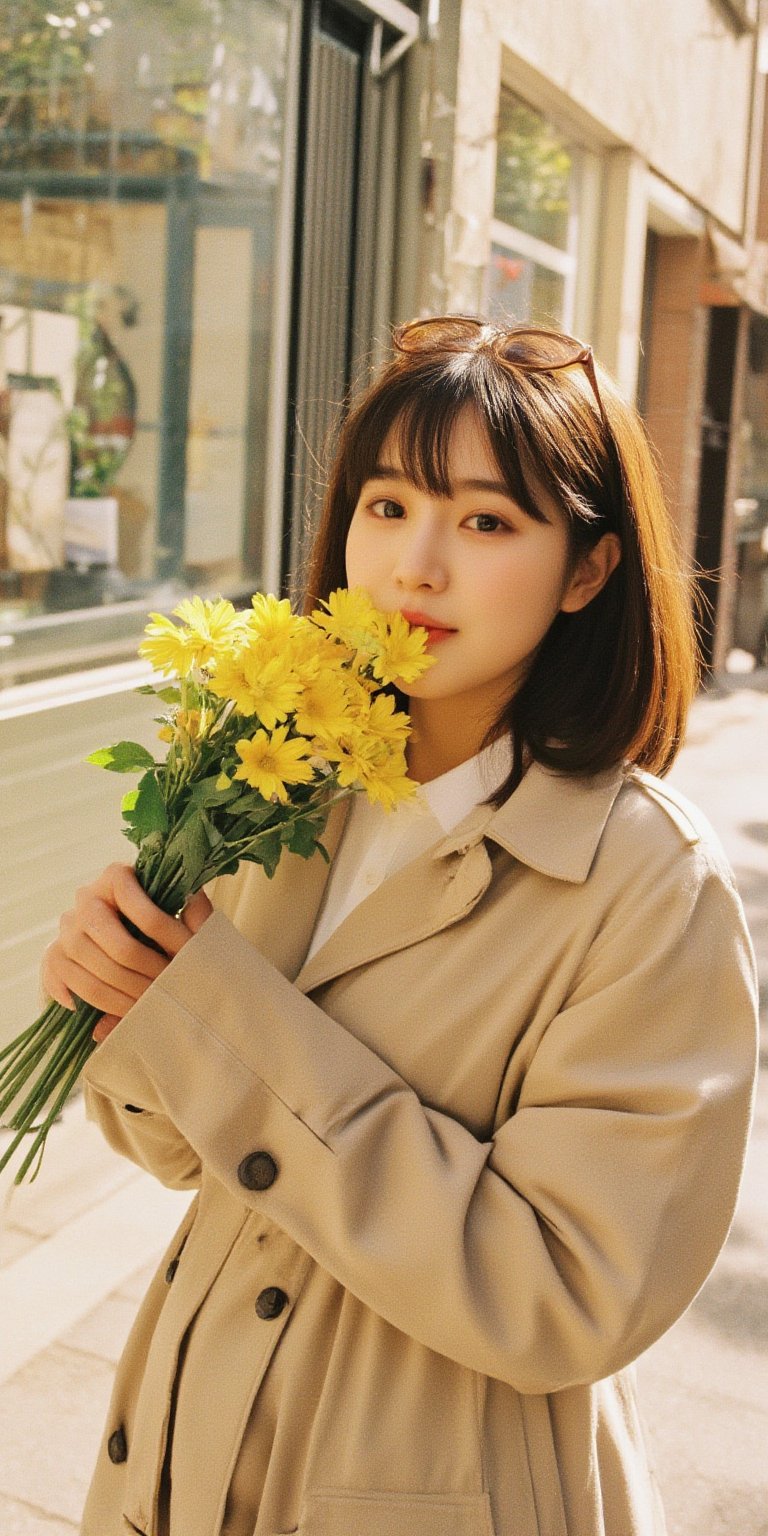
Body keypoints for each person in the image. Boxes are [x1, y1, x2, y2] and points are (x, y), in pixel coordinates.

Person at [43, 317, 758, 1536]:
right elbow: (174, 1148)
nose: (415, 568)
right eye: (387, 506)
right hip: (182, 1454)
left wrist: (219, 1021)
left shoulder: (651, 889)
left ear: (587, 571)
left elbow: (569, 1295)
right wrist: (120, 991)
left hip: (428, 1487)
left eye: (487, 522)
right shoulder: (286, 784)